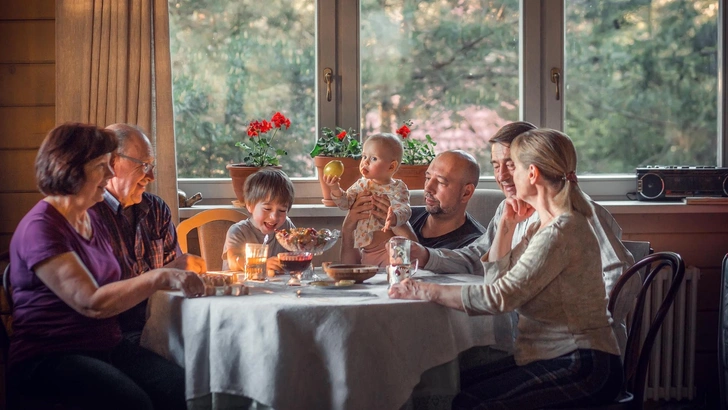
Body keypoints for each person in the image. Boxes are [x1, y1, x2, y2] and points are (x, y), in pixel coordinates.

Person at [389, 129, 624, 409]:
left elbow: (499, 297)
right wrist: (505, 228)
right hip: (544, 355)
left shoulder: (563, 229)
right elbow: (495, 286)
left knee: (473, 403)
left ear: (532, 174)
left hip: (584, 363)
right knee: (452, 388)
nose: (505, 176)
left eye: (513, 167)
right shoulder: (539, 223)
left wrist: (422, 289)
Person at [7, 122, 205, 410]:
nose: (111, 173)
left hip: (106, 345)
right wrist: (161, 275)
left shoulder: (87, 217)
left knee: (183, 390)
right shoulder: (42, 227)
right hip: (51, 356)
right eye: (102, 165)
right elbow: (92, 304)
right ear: (73, 169)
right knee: (134, 404)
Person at [409, 121, 636, 356]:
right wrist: (426, 256)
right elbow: (481, 260)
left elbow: (623, 277)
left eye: (511, 164)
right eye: (496, 165)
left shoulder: (576, 215)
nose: (502, 175)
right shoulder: (511, 210)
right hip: (524, 343)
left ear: (533, 167)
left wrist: (586, 331)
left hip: (577, 352)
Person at [92, 123, 207, 345]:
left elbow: (176, 282)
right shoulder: (90, 214)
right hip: (115, 338)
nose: (151, 176)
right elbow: (101, 298)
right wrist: (167, 273)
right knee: (186, 377)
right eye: (144, 166)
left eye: (152, 166)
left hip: (163, 325)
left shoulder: (156, 210)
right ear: (113, 163)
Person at [340, 150, 486, 264]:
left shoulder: (474, 244)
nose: (428, 188)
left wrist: (399, 225)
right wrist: (348, 228)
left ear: (466, 193)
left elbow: (425, 282)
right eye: (428, 178)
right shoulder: (408, 213)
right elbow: (355, 270)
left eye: (441, 182)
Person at [326, 133, 411, 266]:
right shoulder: (360, 185)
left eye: (373, 158)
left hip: (388, 251)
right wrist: (335, 188)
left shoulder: (397, 188)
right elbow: (345, 203)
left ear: (391, 167)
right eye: (364, 156)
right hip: (366, 253)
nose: (365, 162)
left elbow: (405, 210)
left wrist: (394, 218)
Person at [222, 167, 296, 276]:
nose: (274, 217)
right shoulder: (238, 231)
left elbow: (298, 254)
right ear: (250, 206)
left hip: (276, 288)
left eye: (282, 210)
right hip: (242, 288)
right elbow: (233, 261)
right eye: (267, 208)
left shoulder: (286, 227)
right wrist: (261, 264)